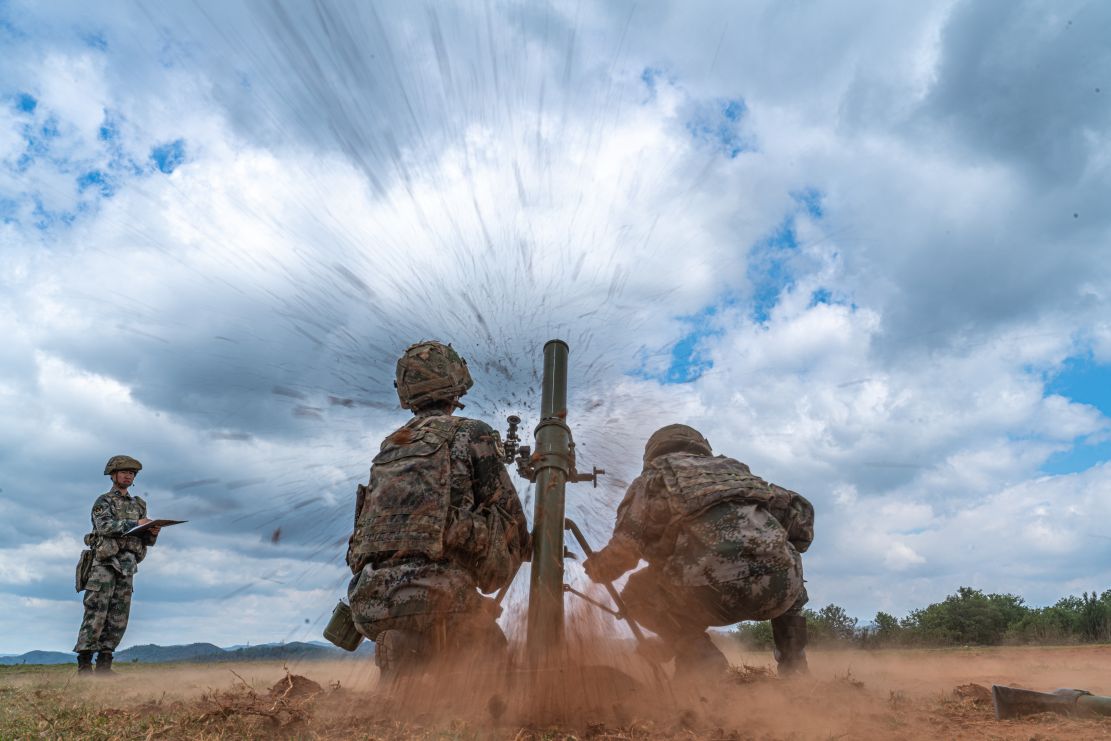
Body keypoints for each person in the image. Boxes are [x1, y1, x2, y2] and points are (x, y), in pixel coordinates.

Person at [346, 341, 530, 681]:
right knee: (492, 662)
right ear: (455, 384)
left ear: (406, 390)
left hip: (367, 601)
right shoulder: (472, 433)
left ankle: (406, 661)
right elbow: (510, 519)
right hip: (441, 597)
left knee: (438, 641)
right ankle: (428, 665)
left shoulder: (391, 445)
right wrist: (528, 546)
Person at [583, 424, 813, 679]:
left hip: (707, 593)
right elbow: (801, 522)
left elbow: (624, 552)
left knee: (637, 591)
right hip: (779, 593)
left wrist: (598, 569)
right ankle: (795, 669)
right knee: (788, 561)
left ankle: (700, 655)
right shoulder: (738, 473)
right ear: (702, 447)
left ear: (653, 452)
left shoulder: (652, 480)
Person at [74, 455, 162, 675]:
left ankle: (104, 665)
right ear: (113, 475)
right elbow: (104, 527)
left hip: (128, 565)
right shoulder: (103, 501)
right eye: (124, 472)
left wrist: (152, 532)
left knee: (119, 616)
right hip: (104, 564)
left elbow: (144, 540)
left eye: (132, 473)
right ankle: (84, 666)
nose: (128, 476)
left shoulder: (138, 504)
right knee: (96, 612)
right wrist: (136, 523)